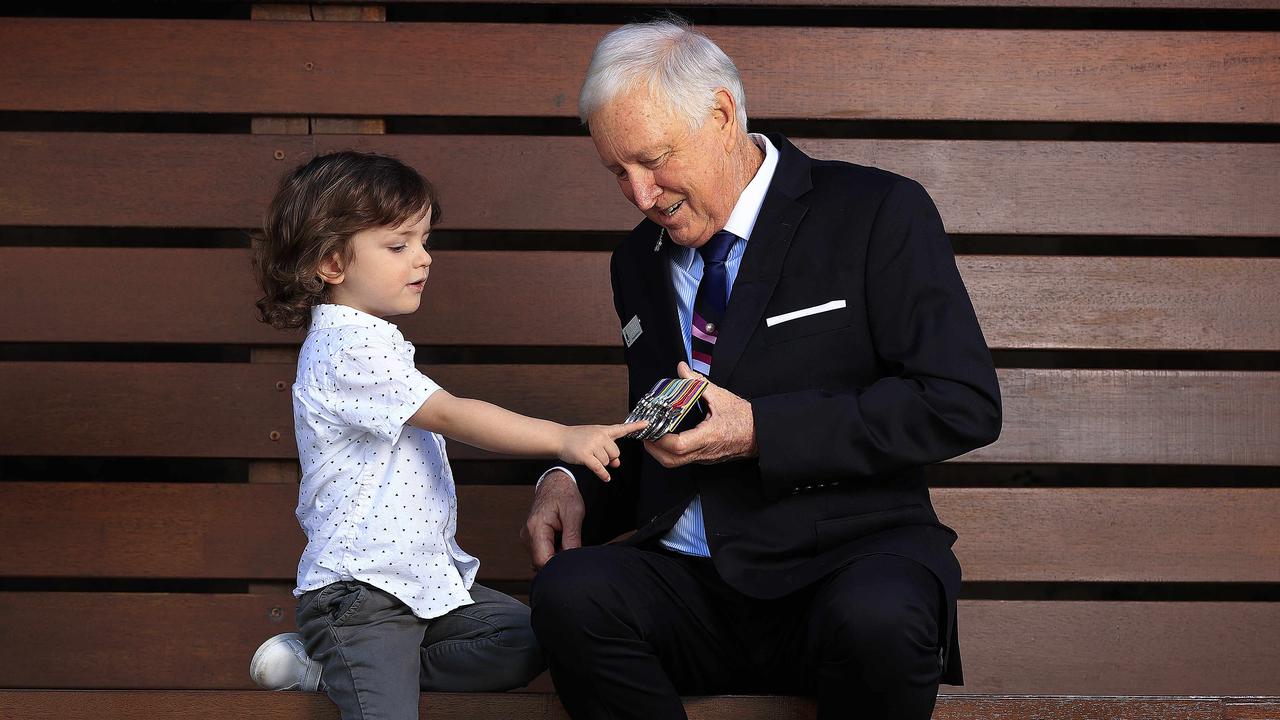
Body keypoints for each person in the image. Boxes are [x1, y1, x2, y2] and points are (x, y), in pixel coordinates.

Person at [522, 19, 1002, 720]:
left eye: (653, 159)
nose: (639, 194)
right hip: (693, 589)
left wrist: (760, 431)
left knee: (881, 617)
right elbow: (663, 422)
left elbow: (960, 402)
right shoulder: (636, 262)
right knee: (570, 592)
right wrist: (569, 480)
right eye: (616, 171)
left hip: (850, 567)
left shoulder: (877, 212)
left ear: (720, 114)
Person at [245, 150, 646, 720]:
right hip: (361, 596)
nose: (424, 258)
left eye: (425, 240)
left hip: (422, 587)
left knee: (528, 641)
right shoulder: (345, 349)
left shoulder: (375, 340)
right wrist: (563, 439)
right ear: (332, 263)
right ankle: (347, 661)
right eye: (399, 245)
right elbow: (453, 415)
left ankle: (333, 668)